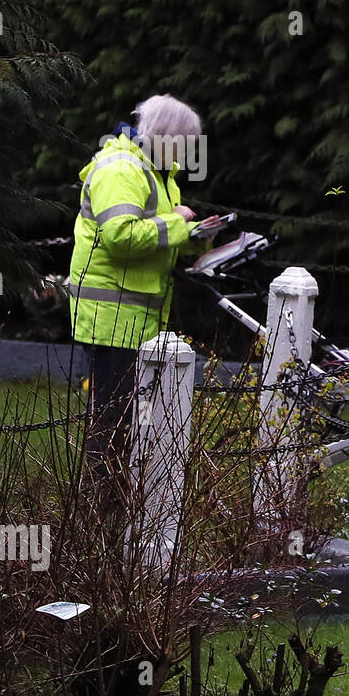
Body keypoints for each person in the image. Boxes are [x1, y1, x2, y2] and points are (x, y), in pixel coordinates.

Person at [67, 95, 222, 515]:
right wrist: (179, 223)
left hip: (137, 315)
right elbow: (121, 237)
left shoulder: (157, 172)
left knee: (131, 419)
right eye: (185, 143)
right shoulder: (120, 169)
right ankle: (103, 515)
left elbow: (155, 235)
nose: (188, 153)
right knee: (113, 421)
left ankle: (119, 510)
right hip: (112, 317)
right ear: (165, 137)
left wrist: (193, 234)